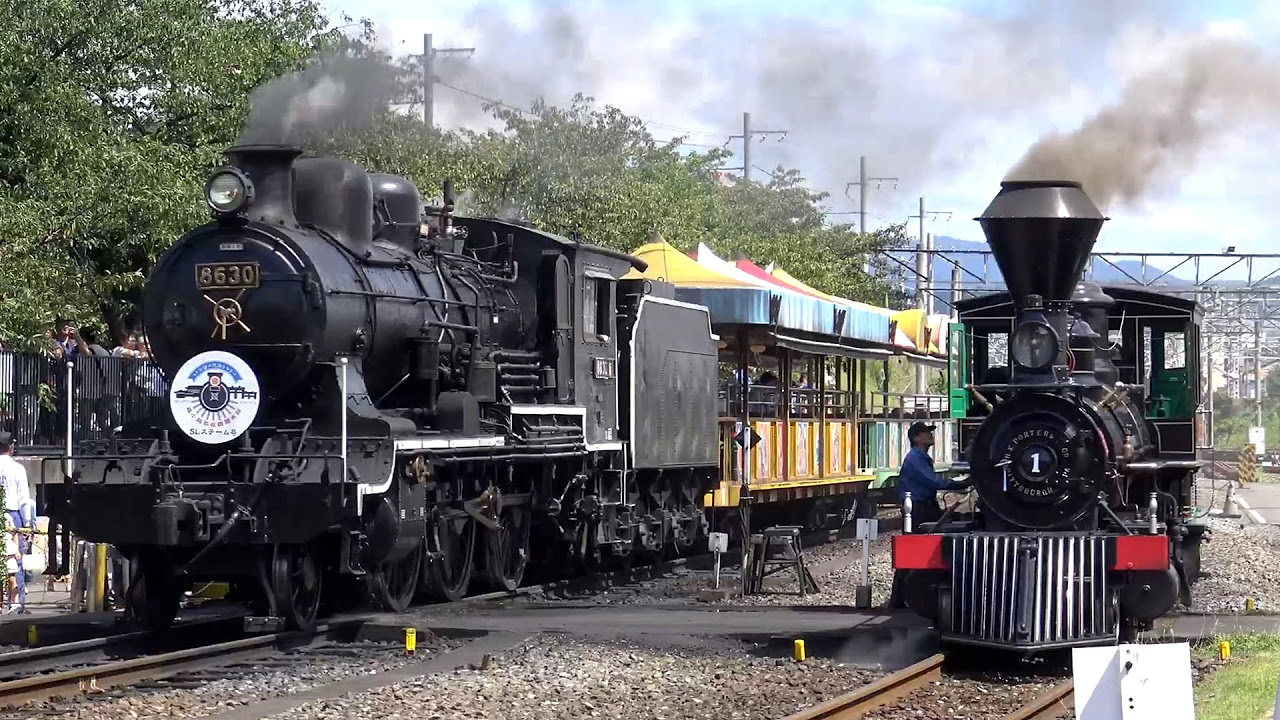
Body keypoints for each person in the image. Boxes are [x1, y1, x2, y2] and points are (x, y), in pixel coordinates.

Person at [896, 422, 969, 532]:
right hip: (918, 508)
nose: (930, 434)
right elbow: (932, 482)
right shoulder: (915, 458)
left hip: (925, 506)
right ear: (916, 438)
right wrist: (962, 484)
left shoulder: (921, 457)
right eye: (925, 432)